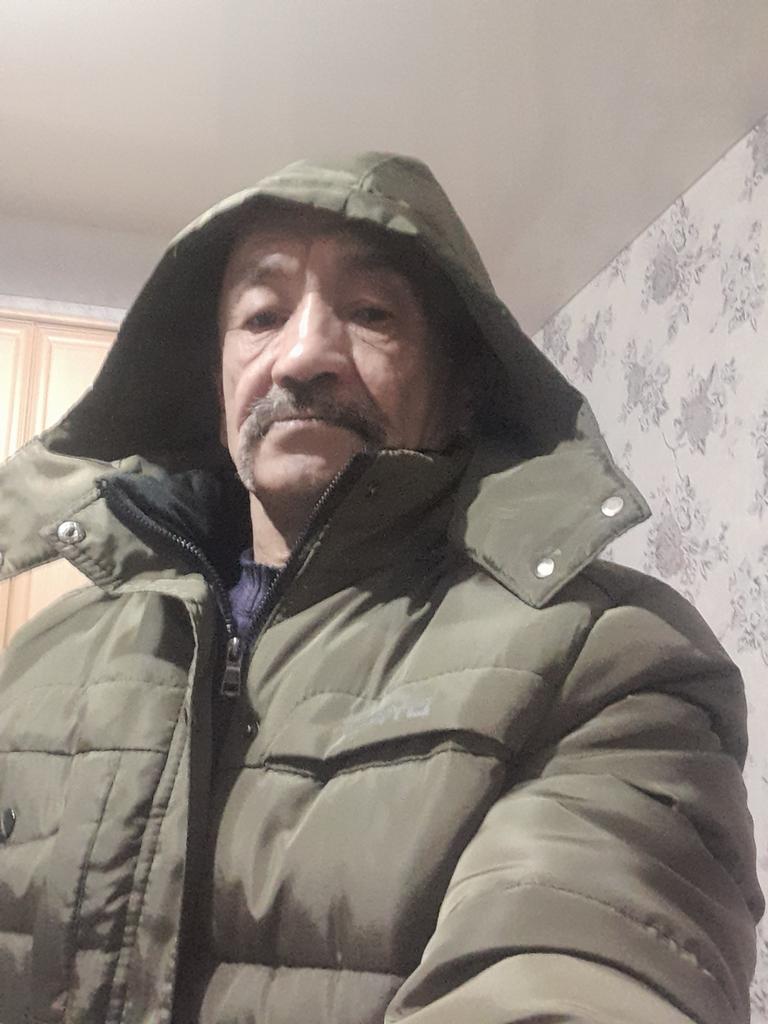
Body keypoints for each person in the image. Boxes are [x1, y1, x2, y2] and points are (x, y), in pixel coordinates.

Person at [0, 152, 762, 1024]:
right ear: (217, 383)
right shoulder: (40, 656)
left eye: (370, 313)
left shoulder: (606, 656)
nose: (303, 356)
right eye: (261, 315)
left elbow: (584, 962)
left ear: (460, 391)